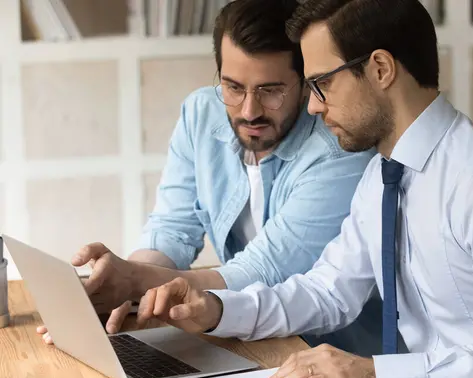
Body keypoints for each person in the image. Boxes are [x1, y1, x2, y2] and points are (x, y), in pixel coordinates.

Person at [135, 0, 473, 378]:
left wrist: (374, 373)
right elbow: (329, 289)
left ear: (380, 69)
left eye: (322, 83)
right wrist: (215, 308)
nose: (314, 106)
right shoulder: (383, 174)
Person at [37, 0, 377, 355]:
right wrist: (123, 286)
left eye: (270, 90)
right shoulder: (201, 113)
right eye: (233, 87)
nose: (249, 111)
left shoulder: (339, 150)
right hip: (245, 338)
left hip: (336, 352)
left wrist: (135, 280)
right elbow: (172, 228)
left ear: (305, 84)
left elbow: (264, 268)